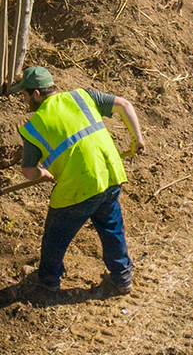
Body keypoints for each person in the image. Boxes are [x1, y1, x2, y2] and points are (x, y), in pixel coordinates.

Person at [12, 66, 145, 297]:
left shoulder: (34, 126)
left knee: (56, 235)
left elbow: (29, 172)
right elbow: (124, 105)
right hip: (110, 174)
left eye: (24, 94)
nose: (24, 100)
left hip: (78, 187)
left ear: (35, 93)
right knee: (111, 227)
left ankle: (48, 281)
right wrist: (137, 139)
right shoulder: (82, 96)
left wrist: (43, 174)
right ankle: (122, 279)